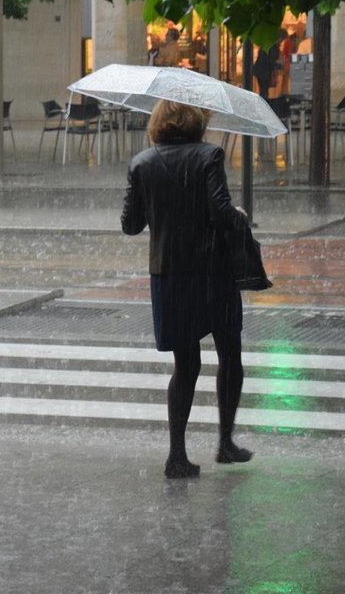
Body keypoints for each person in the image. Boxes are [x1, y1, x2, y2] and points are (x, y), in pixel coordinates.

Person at [121, 100, 253, 479]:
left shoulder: (141, 163)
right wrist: (238, 215)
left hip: (170, 275)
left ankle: (177, 455)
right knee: (229, 353)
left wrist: (158, 205)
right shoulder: (209, 156)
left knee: (186, 364)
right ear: (196, 122)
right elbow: (220, 211)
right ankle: (225, 442)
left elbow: (130, 225)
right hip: (212, 271)